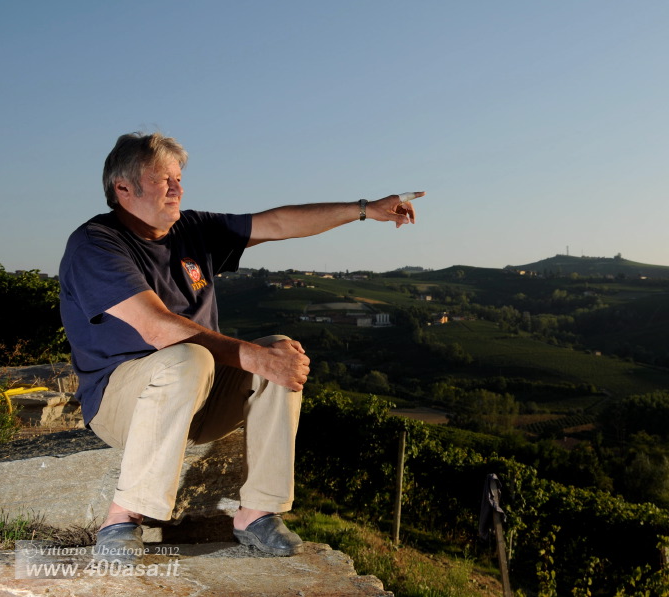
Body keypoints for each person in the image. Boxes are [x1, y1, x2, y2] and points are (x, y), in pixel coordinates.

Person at [59, 131, 423, 562]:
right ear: (123, 189)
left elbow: (277, 223)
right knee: (196, 355)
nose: (177, 188)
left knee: (281, 351)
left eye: (179, 178)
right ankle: (121, 519)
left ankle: (256, 513)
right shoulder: (96, 244)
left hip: (199, 395)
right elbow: (156, 328)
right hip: (122, 406)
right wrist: (253, 356)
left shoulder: (192, 229)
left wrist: (364, 210)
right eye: (163, 179)